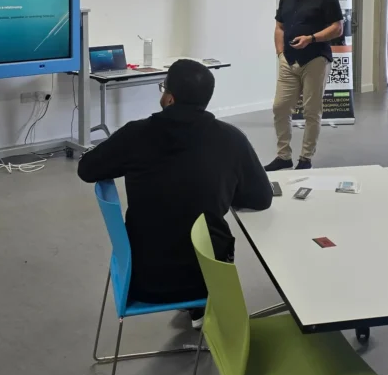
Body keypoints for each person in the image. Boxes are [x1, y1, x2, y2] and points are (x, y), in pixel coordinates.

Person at [77, 59, 272, 323]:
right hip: (205, 279)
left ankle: (195, 309)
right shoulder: (230, 138)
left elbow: (87, 170)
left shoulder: (135, 135)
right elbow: (261, 198)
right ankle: (200, 312)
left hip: (141, 278)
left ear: (170, 97)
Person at [265, 0, 343, 172]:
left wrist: (312, 38)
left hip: (315, 59)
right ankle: (283, 156)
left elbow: (337, 28)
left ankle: (306, 158)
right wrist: (280, 53)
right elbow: (279, 27)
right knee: (280, 107)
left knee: (311, 111)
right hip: (288, 60)